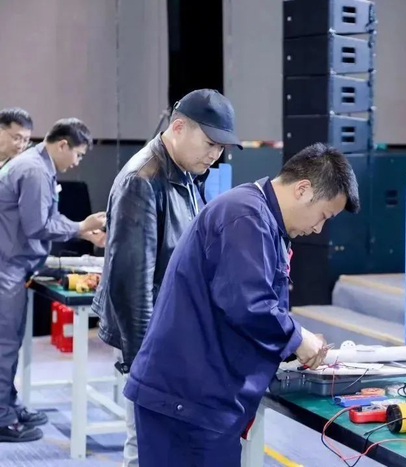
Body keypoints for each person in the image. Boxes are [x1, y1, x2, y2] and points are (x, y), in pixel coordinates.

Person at [123, 143, 360, 466]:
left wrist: (292, 343)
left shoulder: (260, 217)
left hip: (198, 396)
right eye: (323, 216)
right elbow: (248, 303)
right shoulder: (245, 216)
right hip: (186, 401)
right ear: (303, 189)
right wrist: (297, 338)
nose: (318, 228)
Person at [92, 88, 241, 466]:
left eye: (222, 147)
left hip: (171, 334)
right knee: (145, 445)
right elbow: (131, 285)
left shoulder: (185, 172)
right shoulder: (142, 180)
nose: (216, 154)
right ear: (178, 128)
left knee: (165, 444)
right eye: (210, 143)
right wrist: (142, 363)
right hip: (150, 341)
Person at [0, 118, 106, 442]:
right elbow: (37, 226)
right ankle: (2, 418)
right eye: (78, 154)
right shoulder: (33, 169)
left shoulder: (39, 165)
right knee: (4, 345)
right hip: (7, 267)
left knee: (10, 343)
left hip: (15, 264)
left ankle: (8, 404)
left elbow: (48, 216)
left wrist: (82, 231)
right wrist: (81, 226)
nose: (77, 162)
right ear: (63, 144)